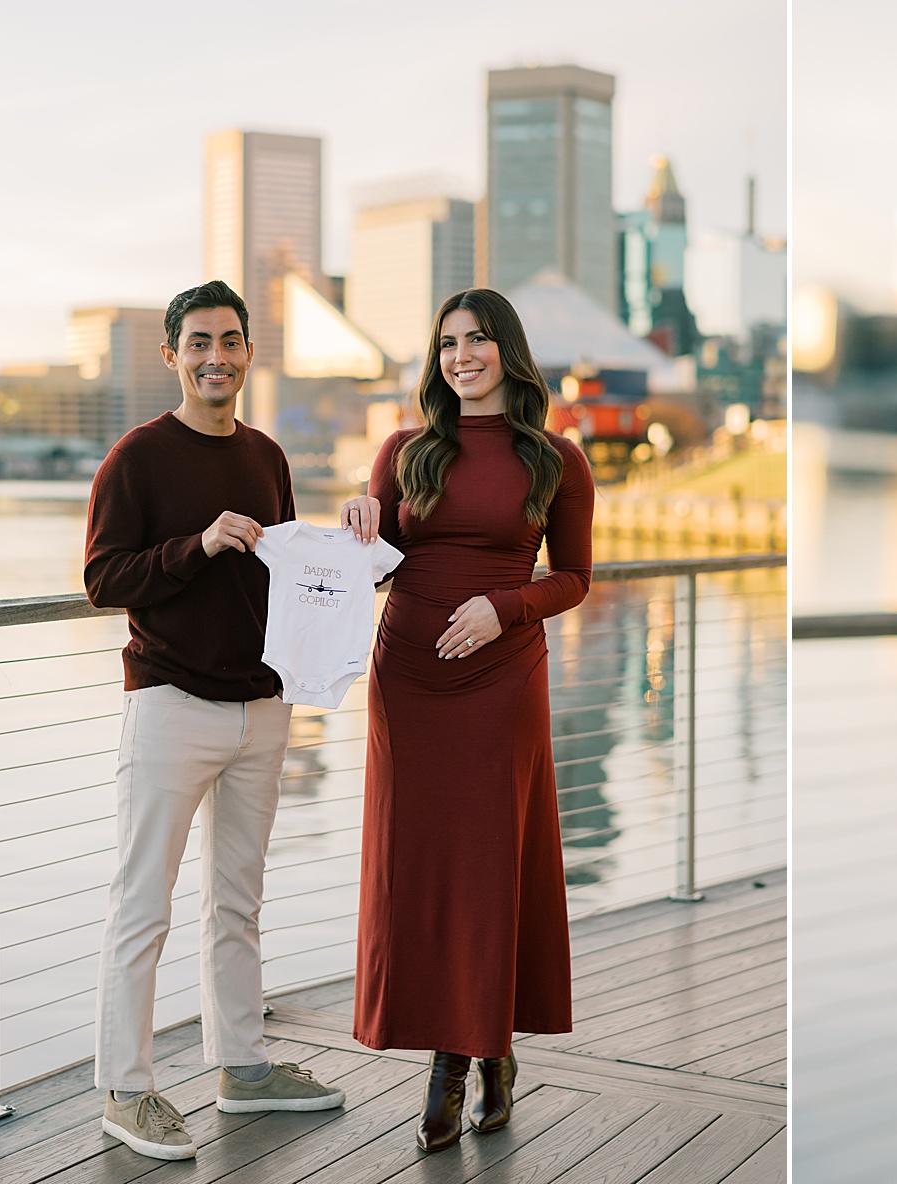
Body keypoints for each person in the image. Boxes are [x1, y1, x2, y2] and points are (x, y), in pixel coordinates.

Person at [85, 280, 345, 1161]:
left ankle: (243, 1069)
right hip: (169, 706)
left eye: (230, 342)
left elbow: (289, 581)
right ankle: (126, 1089)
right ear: (172, 356)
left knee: (237, 903)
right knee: (141, 906)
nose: (216, 358)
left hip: (262, 711)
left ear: (247, 352)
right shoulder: (136, 459)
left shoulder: (267, 456)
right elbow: (103, 580)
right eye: (198, 344)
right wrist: (195, 545)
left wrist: (351, 559)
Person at [341, 288, 594, 1151]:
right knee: (421, 873)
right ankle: (461, 1055)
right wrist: (358, 529)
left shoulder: (555, 458)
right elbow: (370, 567)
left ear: (507, 351)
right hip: (405, 684)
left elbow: (575, 579)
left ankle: (475, 1059)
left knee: (490, 870)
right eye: (448, 343)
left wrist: (504, 606)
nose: (461, 355)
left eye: (478, 339)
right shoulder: (403, 450)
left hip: (501, 680)